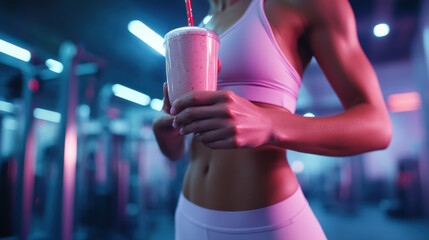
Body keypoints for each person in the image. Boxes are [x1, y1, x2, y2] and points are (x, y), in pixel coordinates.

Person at [153, 0, 392, 239]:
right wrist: (166, 131)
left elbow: (378, 126)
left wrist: (270, 124)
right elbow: (176, 153)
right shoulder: (202, 23)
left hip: (268, 224)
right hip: (188, 218)